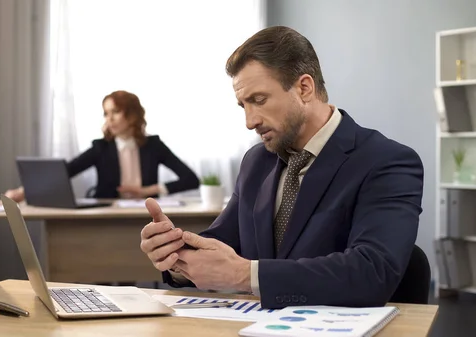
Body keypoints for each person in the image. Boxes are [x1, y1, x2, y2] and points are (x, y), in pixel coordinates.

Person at [139, 26, 424, 309]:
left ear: (304, 88)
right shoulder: (256, 162)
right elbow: (223, 241)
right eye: (243, 106)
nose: (250, 121)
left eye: (259, 100)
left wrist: (243, 275)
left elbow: (372, 272)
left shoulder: (387, 161)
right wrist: (177, 253)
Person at [5, 90, 199, 201]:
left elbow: (191, 179)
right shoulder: (101, 148)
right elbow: (67, 171)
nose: (109, 119)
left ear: (132, 115)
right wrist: (23, 191)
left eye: (115, 112)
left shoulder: (154, 146)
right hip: (107, 215)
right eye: (106, 113)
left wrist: (148, 191)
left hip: (144, 216)